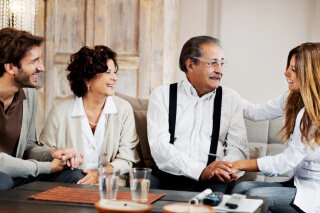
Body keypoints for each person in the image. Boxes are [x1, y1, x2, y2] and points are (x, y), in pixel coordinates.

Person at [147, 36, 249, 192]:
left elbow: (239, 149)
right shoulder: (162, 95)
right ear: (190, 65)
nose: (219, 70)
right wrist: (199, 170)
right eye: (212, 63)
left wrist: (222, 170)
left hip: (214, 180)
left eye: (221, 63)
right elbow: (159, 146)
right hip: (167, 175)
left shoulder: (231, 99)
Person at [231, 42, 320, 213]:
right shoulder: (292, 98)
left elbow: (285, 163)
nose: (286, 72)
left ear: (310, 73)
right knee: (241, 189)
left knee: (254, 196)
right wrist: (224, 95)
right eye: (289, 67)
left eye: (294, 69)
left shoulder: (313, 114)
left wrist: (241, 164)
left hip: (314, 193)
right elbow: (255, 112)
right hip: (297, 183)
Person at [39, 45, 140, 185]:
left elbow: (127, 159)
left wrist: (100, 174)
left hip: (110, 184)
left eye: (115, 72)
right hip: (70, 183)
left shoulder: (123, 109)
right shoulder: (60, 111)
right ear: (87, 79)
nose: (115, 78)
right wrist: (61, 155)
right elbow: (43, 152)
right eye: (107, 72)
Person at [0, 28, 84, 191]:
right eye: (34, 61)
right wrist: (48, 167)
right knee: (3, 181)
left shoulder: (29, 94)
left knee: (73, 175)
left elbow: (28, 147)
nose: (42, 67)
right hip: (3, 176)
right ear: (11, 67)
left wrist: (53, 154)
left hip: (16, 174)